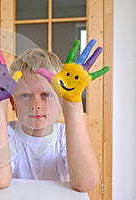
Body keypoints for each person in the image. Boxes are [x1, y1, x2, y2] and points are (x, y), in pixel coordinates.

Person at [8, 40, 106, 192]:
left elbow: (86, 183)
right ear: (13, 103)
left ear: (61, 99)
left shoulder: (65, 137)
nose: (36, 105)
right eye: (26, 96)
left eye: (46, 95)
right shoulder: (7, 134)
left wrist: (72, 105)